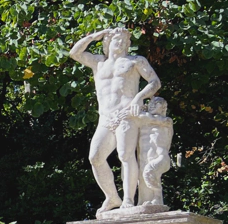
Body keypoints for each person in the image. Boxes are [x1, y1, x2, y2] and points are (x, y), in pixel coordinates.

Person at [69, 27, 161, 214]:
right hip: (105, 117)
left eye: (124, 41)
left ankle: (128, 199)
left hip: (126, 113)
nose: (120, 44)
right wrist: (94, 35)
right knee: (95, 157)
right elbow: (74, 53)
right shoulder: (98, 63)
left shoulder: (135, 61)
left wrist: (139, 97)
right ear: (107, 43)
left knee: (125, 156)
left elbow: (155, 82)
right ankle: (112, 197)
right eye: (116, 40)